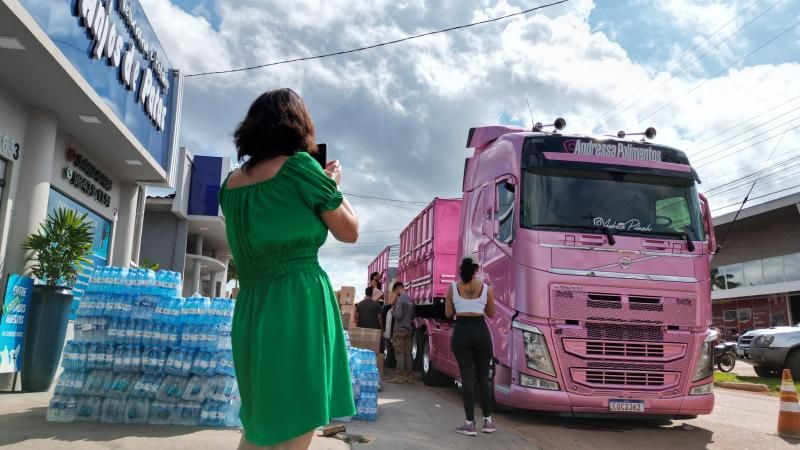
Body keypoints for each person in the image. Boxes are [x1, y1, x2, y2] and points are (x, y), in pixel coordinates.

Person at [219, 88, 358, 450]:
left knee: (260, 424)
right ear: (298, 126)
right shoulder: (300, 168)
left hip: (252, 309)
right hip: (298, 303)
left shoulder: (230, 185)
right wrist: (332, 186)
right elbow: (350, 231)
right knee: (297, 418)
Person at [445, 254, 496, 436]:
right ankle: (488, 422)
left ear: (462, 269)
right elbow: (491, 314)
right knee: (483, 377)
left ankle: (469, 424)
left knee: (466, 377)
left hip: (461, 332)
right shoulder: (486, 289)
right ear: (476, 269)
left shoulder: (452, 288)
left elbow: (449, 313)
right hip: (481, 332)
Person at [387, 281, 414, 384]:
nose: (395, 294)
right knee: (408, 353)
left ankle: (399, 376)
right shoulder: (411, 299)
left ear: (398, 288)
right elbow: (412, 316)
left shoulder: (400, 300)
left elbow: (398, 315)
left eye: (395, 291)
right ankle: (409, 376)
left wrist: (392, 311)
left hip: (399, 330)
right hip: (408, 329)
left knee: (400, 354)